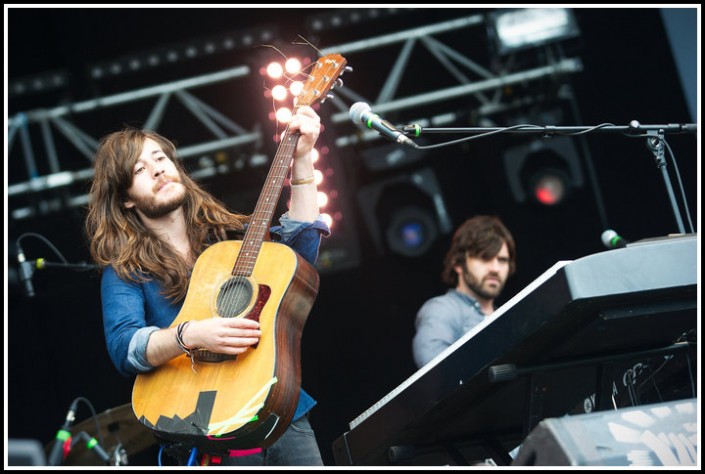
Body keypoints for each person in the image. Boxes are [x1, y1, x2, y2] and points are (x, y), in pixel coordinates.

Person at [84, 106, 329, 466]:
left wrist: (304, 157)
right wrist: (191, 335)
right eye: (139, 169)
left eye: (160, 157)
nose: (157, 169)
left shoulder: (229, 237)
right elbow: (125, 347)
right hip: (205, 428)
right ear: (125, 198)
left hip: (278, 411)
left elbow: (299, 258)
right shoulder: (126, 271)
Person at [412, 215, 516, 369]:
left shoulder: (509, 317)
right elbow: (435, 371)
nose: (495, 268)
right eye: (485, 258)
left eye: (502, 260)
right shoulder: (442, 309)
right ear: (458, 264)